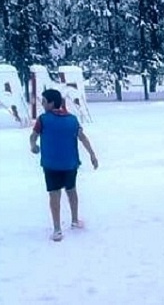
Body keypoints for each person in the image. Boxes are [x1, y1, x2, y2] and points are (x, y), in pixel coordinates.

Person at [29, 89, 99, 242]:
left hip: (51, 164)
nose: (42, 103)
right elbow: (83, 138)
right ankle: (74, 220)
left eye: (44, 101)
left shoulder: (43, 120)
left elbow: (33, 136)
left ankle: (57, 229)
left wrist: (33, 146)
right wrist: (92, 154)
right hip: (70, 163)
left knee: (54, 195)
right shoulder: (72, 119)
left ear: (52, 103)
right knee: (71, 191)